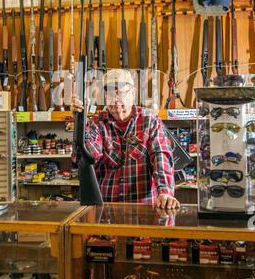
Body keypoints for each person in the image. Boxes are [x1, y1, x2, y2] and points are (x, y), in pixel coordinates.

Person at [71, 68, 180, 210]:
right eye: (110, 93)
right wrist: (81, 122)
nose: (115, 99)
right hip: (106, 210)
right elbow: (82, 158)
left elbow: (161, 156)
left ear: (133, 93)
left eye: (121, 93)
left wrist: (165, 191)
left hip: (144, 210)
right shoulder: (97, 123)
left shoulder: (150, 120)